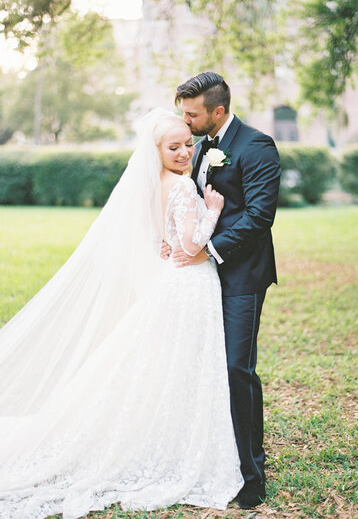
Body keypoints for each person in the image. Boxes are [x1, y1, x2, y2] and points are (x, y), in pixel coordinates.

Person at [0, 109, 244, 519]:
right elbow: (192, 245)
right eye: (174, 147)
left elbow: (158, 238)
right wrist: (214, 210)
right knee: (186, 364)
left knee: (165, 364)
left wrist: (172, 243)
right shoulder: (183, 188)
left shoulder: (156, 185)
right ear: (156, 150)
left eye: (188, 144)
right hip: (190, 284)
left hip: (173, 281)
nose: (185, 152)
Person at [162, 72, 281, 509]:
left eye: (192, 113)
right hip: (198, 280)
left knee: (236, 368)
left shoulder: (257, 146)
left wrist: (207, 250)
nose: (185, 121)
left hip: (242, 275)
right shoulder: (196, 147)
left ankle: (252, 473)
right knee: (204, 367)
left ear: (217, 110)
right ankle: (215, 458)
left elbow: (259, 216)